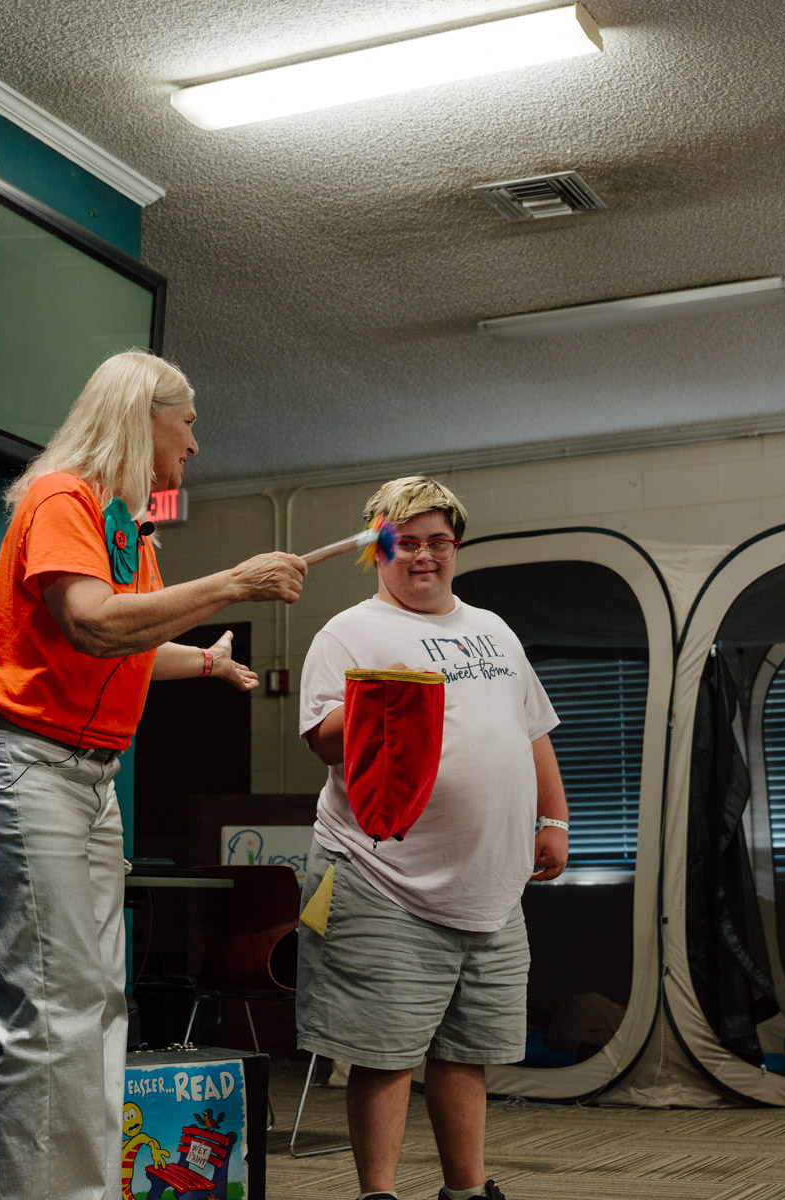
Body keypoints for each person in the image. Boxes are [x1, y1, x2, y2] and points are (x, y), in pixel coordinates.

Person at [0, 350, 308, 1200]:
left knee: (97, 1005)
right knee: (55, 1008)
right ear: (140, 416)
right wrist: (234, 581)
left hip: (90, 781)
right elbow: (91, 622)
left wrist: (206, 663)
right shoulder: (64, 498)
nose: (194, 444)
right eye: (186, 422)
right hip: (34, 768)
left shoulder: (125, 528)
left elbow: (125, 642)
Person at [296, 476, 568, 1200]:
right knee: (382, 1053)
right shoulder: (349, 632)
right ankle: (378, 1195)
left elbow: (532, 730)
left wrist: (553, 818)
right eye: (406, 542)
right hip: (381, 879)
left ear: (456, 546)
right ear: (378, 549)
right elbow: (323, 745)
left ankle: (467, 1191)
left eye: (438, 541)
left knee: (467, 1050)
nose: (424, 555)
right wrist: (377, 696)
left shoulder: (494, 629)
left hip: (490, 887)